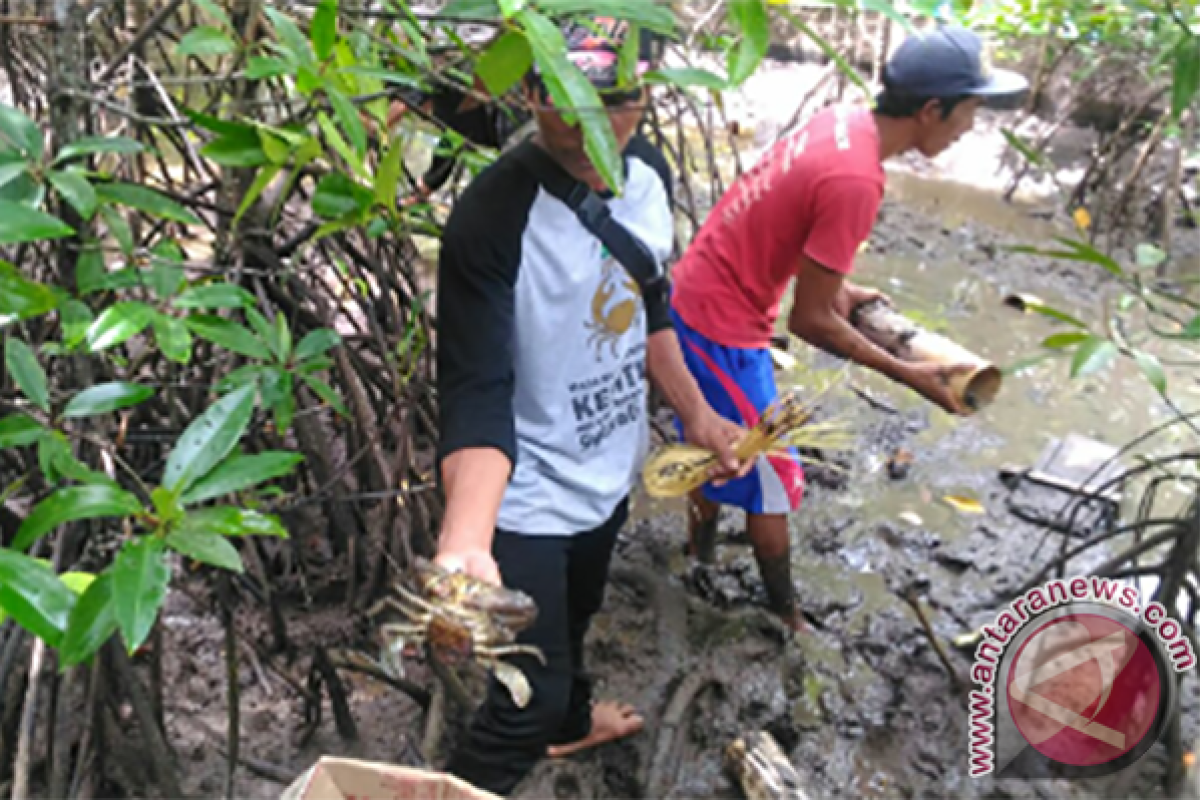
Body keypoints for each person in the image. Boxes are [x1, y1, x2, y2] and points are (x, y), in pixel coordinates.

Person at [433, 18, 749, 797]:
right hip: (528, 494)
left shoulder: (648, 173)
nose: (586, 125)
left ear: (644, 96)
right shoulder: (490, 218)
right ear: (531, 92)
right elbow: (476, 388)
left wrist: (696, 415)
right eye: (562, 99)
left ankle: (573, 729)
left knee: (575, 618)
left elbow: (649, 303)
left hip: (609, 465)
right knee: (521, 705)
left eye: (610, 102)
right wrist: (465, 538)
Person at [667, 27, 1029, 631]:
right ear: (931, 110)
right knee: (773, 476)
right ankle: (786, 615)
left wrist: (843, 289)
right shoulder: (857, 180)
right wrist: (909, 373)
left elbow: (786, 231)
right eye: (970, 108)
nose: (972, 123)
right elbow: (809, 320)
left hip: (703, 289)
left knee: (716, 447)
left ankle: (696, 555)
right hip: (718, 326)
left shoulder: (843, 122)